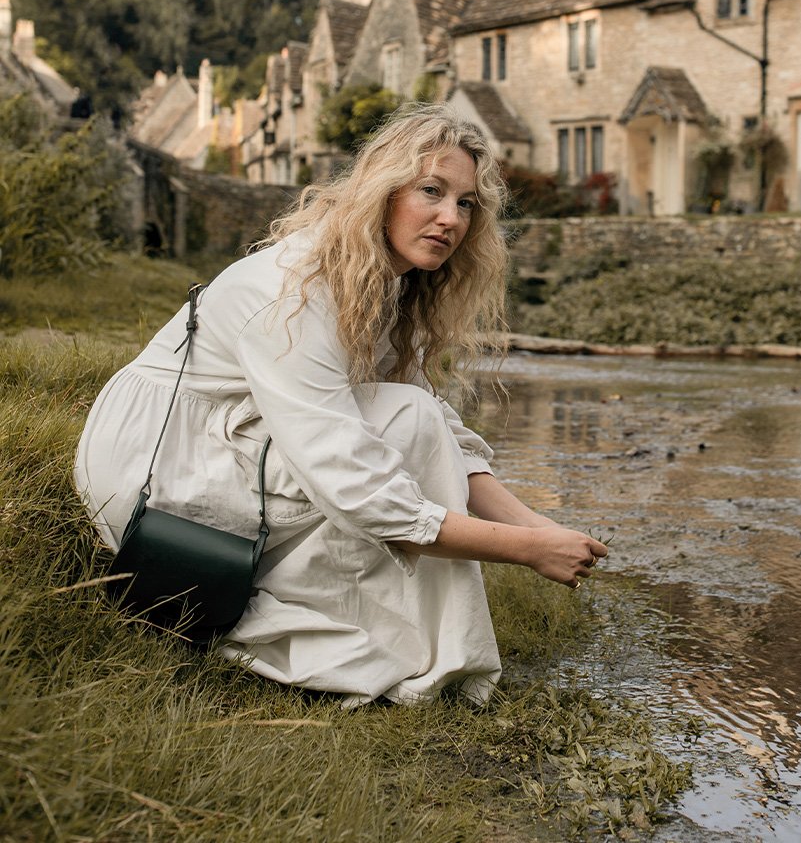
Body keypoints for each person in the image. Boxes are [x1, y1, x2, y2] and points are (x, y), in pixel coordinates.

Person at [75, 105, 608, 705]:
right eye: (430, 191)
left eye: (465, 204)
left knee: (415, 417)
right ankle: (387, 640)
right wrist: (527, 550)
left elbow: (446, 439)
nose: (449, 218)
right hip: (159, 465)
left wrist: (539, 526)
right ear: (382, 193)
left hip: (229, 441)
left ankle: (419, 643)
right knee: (401, 430)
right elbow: (357, 486)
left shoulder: (377, 283)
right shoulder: (295, 291)